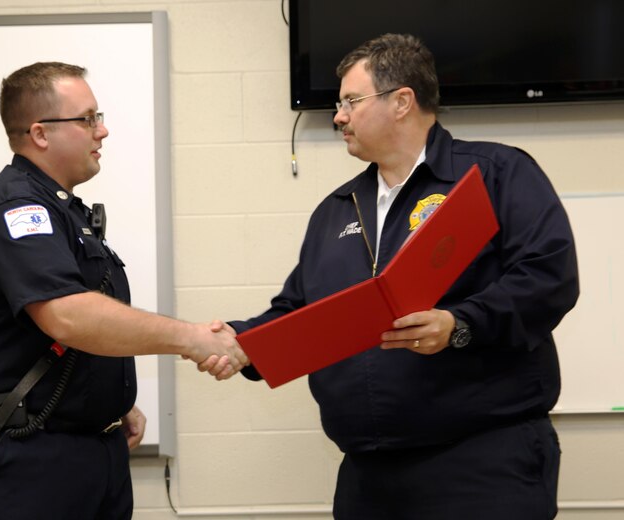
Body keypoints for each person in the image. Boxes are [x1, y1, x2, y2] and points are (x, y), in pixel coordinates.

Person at [208, 34, 579, 518]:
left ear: (402, 101)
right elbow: (301, 311)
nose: (337, 116)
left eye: (350, 102)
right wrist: (243, 344)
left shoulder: (493, 174)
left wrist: (459, 323)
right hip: (369, 477)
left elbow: (549, 276)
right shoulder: (337, 209)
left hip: (483, 463)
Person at [0, 61, 247, 520]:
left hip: (88, 451)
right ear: (40, 134)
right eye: (88, 118)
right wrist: (194, 338)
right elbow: (68, 316)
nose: (102, 131)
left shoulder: (66, 213)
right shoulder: (15, 209)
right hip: (28, 461)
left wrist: (111, 401)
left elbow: (52, 334)